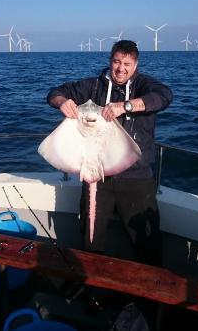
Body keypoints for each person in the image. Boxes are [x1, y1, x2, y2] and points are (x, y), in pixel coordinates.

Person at [47, 40, 173, 267]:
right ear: (109, 61)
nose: (121, 68)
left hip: (137, 178)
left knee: (147, 242)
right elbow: (55, 92)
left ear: (135, 65)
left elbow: (164, 96)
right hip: (97, 174)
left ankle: (149, 300)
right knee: (91, 238)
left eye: (127, 63)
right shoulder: (93, 86)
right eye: (116, 62)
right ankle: (94, 295)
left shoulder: (144, 85)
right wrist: (62, 102)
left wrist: (125, 106)